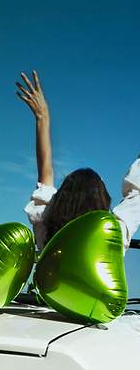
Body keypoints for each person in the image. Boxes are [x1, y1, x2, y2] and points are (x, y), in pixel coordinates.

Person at [15, 70, 140, 253]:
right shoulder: (112, 236)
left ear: (60, 199)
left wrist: (42, 117)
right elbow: (137, 192)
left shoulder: (45, 226)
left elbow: (45, 175)